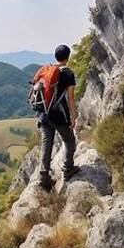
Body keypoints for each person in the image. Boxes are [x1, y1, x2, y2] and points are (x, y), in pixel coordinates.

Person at [37, 44, 79, 190]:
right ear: (68, 57)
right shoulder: (68, 73)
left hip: (43, 113)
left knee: (46, 142)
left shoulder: (47, 70)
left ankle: (43, 176)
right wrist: (74, 116)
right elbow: (71, 98)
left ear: (56, 56)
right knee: (69, 140)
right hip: (58, 115)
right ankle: (68, 170)